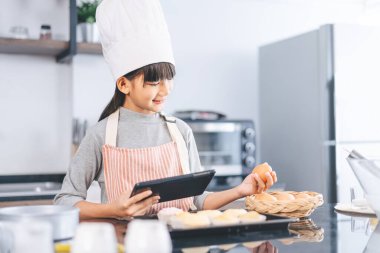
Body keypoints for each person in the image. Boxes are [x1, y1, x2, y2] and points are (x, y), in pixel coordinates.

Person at [54, 0, 277, 219]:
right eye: (153, 82)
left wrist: (241, 190)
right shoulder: (100, 135)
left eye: (169, 78)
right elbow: (65, 200)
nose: (165, 90)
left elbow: (197, 201)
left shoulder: (181, 131)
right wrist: (111, 210)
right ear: (124, 84)